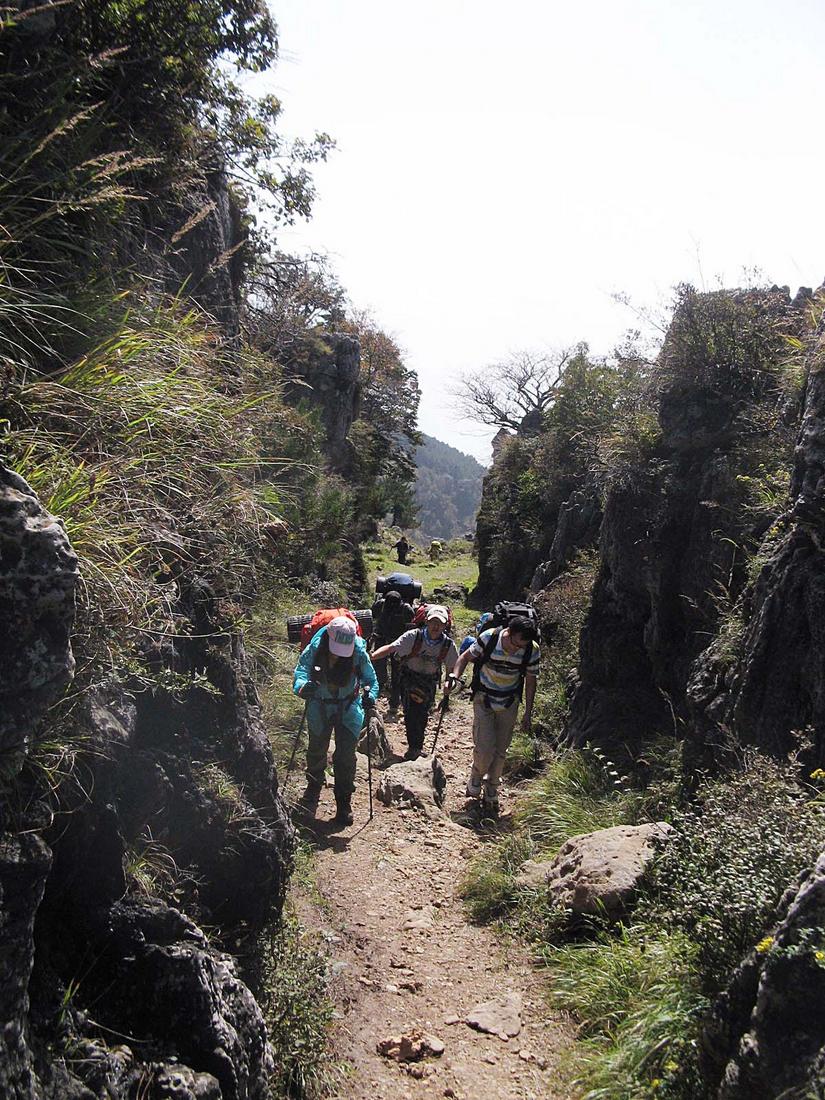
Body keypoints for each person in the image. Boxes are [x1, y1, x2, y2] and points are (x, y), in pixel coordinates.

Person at [293, 616, 379, 826]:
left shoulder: (358, 650)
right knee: (316, 750)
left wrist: (370, 696)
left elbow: (371, 680)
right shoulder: (315, 647)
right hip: (319, 705)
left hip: (348, 707)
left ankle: (344, 802)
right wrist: (303, 687)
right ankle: (313, 788)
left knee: (346, 756)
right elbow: (301, 672)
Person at [449, 615, 540, 814]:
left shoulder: (531, 649)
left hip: (509, 702)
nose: (518, 648)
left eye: (522, 645)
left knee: (501, 750)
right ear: (509, 632)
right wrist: (455, 677)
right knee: (484, 746)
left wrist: (528, 713)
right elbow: (465, 657)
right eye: (516, 643)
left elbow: (531, 681)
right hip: (485, 699)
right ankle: (476, 775)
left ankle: (492, 787)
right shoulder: (490, 638)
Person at [370, 605, 458, 760]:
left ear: (445, 625)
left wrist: (449, 684)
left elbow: (452, 668)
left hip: (429, 682)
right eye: (433, 622)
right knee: (411, 712)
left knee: (422, 713)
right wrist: (371, 657)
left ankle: (416, 747)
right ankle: (414, 748)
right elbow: (392, 648)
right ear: (426, 621)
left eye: (440, 623)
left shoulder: (448, 645)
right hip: (409, 678)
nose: (435, 626)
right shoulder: (413, 636)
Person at [369, 589, 413, 707]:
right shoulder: (382, 606)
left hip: (395, 643)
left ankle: (391, 701)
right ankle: (381, 698)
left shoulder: (404, 609)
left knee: (395, 673)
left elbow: (410, 628)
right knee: (387, 671)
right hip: (384, 639)